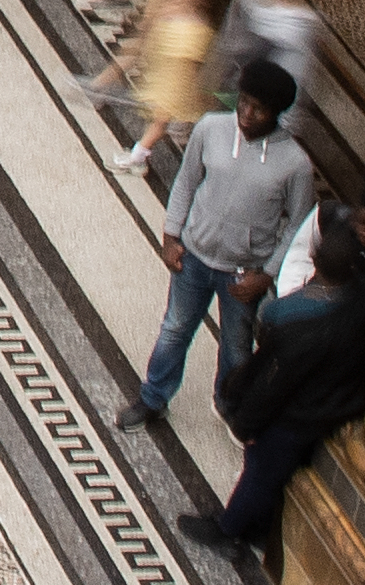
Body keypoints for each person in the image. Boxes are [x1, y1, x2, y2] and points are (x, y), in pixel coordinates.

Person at [190, 181, 365, 560]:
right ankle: (260, 527)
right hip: (338, 400)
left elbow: (275, 381)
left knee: (262, 469)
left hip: (300, 412)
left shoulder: (303, 326)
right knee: (277, 473)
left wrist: (246, 422)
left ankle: (229, 532)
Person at [127, 55, 315, 428]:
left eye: (258, 109)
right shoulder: (211, 128)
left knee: (235, 346)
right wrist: (170, 234)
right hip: (193, 257)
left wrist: (267, 275)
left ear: (276, 113)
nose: (246, 113)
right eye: (243, 102)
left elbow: (298, 225)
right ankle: (153, 398)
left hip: (243, 275)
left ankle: (230, 404)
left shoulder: (296, 164)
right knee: (175, 329)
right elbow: (185, 181)